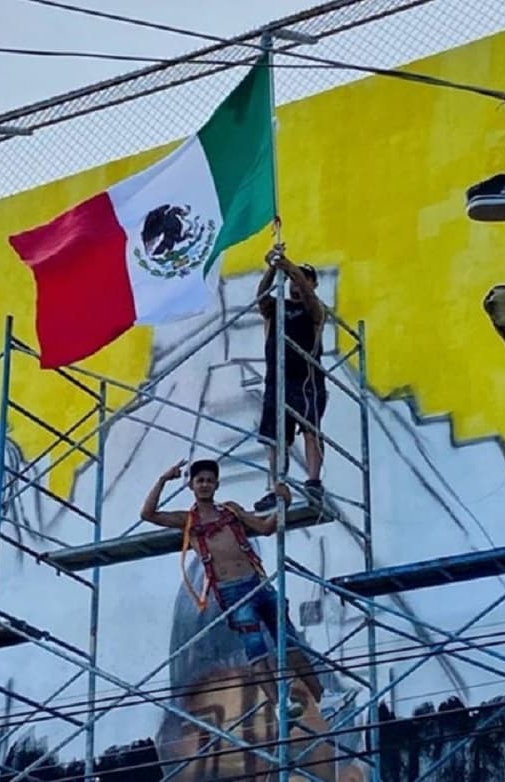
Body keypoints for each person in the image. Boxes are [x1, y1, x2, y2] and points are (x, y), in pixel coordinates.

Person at [140, 458, 322, 719]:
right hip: (231, 591)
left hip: (258, 583)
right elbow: (147, 514)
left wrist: (285, 504)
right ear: (191, 485)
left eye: (209, 481)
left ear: (216, 485)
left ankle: (319, 696)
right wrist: (163, 480)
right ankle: (280, 705)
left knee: (289, 642)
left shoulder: (231, 511)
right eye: (199, 480)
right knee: (255, 648)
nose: (204, 485)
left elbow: (265, 528)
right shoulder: (188, 520)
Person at [255, 244, 327, 511]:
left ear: (313, 283)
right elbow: (261, 296)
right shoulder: (276, 308)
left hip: (306, 379)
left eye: (305, 278)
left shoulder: (315, 310)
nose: (298, 283)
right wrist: (272, 268)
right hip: (276, 379)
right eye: (297, 278)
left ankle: (313, 482)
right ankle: (277, 488)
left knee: (310, 429)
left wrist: (290, 268)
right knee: (275, 438)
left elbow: (308, 297)